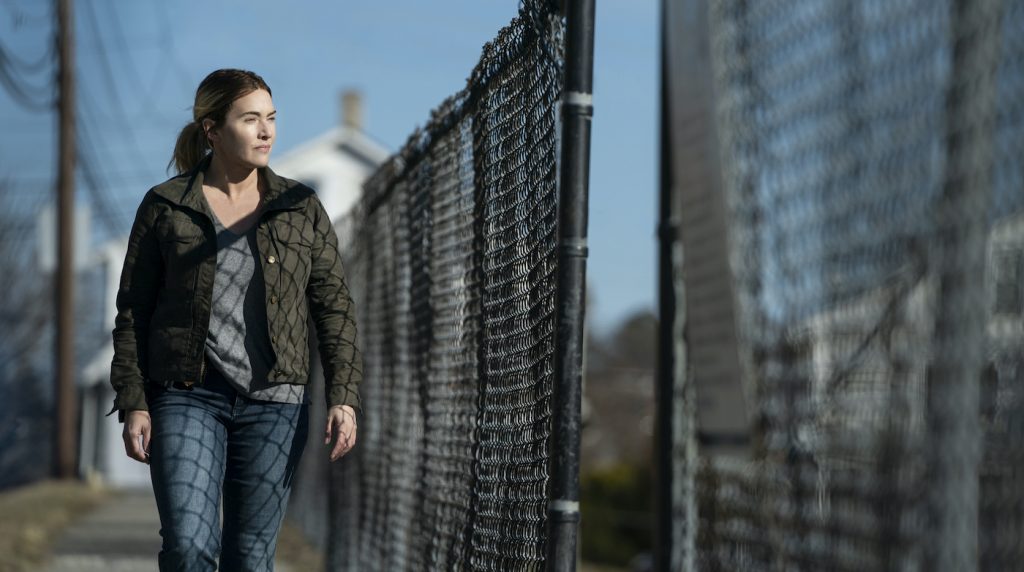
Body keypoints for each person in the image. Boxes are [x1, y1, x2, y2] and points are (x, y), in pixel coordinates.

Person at [108, 68, 362, 571]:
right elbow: (132, 310)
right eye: (250, 119)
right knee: (189, 547)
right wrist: (134, 400)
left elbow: (334, 307)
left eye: (271, 118)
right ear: (213, 130)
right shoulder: (166, 206)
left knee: (249, 557)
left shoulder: (300, 207)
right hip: (186, 395)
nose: (267, 131)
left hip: (277, 402)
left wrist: (344, 397)